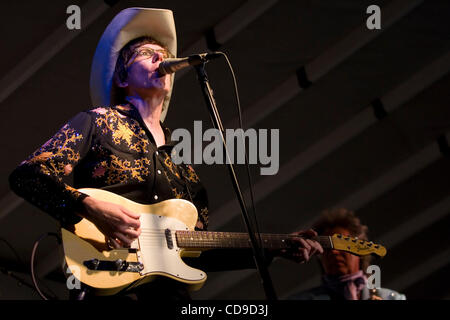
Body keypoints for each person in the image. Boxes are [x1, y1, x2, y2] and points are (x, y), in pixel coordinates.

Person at [9, 8, 322, 300]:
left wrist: (274, 248)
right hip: (108, 282)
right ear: (121, 77)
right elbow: (27, 177)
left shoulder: (183, 165)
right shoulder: (98, 121)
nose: (161, 58)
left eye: (165, 55)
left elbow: (198, 249)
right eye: (146, 54)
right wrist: (91, 207)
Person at [288, 208, 406, 300]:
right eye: (327, 248)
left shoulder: (392, 298)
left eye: (341, 245)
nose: (334, 252)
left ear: (360, 250)